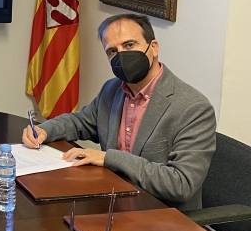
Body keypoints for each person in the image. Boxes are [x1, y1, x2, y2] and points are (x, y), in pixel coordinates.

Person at [22, 13, 216, 211]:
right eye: (112, 51)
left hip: (162, 216)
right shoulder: (113, 89)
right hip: (113, 201)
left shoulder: (193, 108)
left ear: (154, 48)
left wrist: (109, 158)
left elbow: (181, 184)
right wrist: (44, 130)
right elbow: (81, 122)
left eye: (129, 45)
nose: (121, 56)